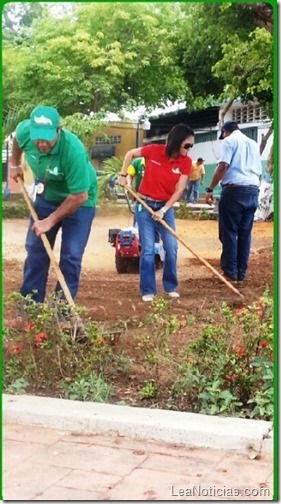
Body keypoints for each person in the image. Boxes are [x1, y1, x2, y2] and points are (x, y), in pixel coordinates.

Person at [10, 105, 98, 304]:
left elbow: (80, 195)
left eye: (47, 138)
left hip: (79, 201)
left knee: (71, 257)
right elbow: (17, 138)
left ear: (58, 130)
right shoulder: (25, 132)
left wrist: (50, 221)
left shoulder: (72, 150)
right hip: (46, 196)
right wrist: (15, 163)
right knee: (36, 251)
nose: (41, 143)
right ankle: (30, 306)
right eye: (37, 138)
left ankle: (62, 310)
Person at [117, 123, 194, 302]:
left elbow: (179, 190)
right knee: (149, 249)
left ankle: (170, 287)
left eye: (191, 146)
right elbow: (130, 154)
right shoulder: (153, 151)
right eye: (187, 145)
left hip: (165, 208)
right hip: (144, 204)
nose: (189, 149)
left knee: (171, 247)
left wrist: (164, 210)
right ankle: (148, 290)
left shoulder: (186, 162)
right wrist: (122, 175)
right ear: (176, 142)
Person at [205, 120, 261, 285]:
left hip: (234, 191)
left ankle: (230, 273)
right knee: (244, 234)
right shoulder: (253, 143)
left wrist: (210, 188)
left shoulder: (229, 141)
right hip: (253, 190)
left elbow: (223, 166)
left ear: (224, 132)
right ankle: (240, 274)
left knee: (228, 232)